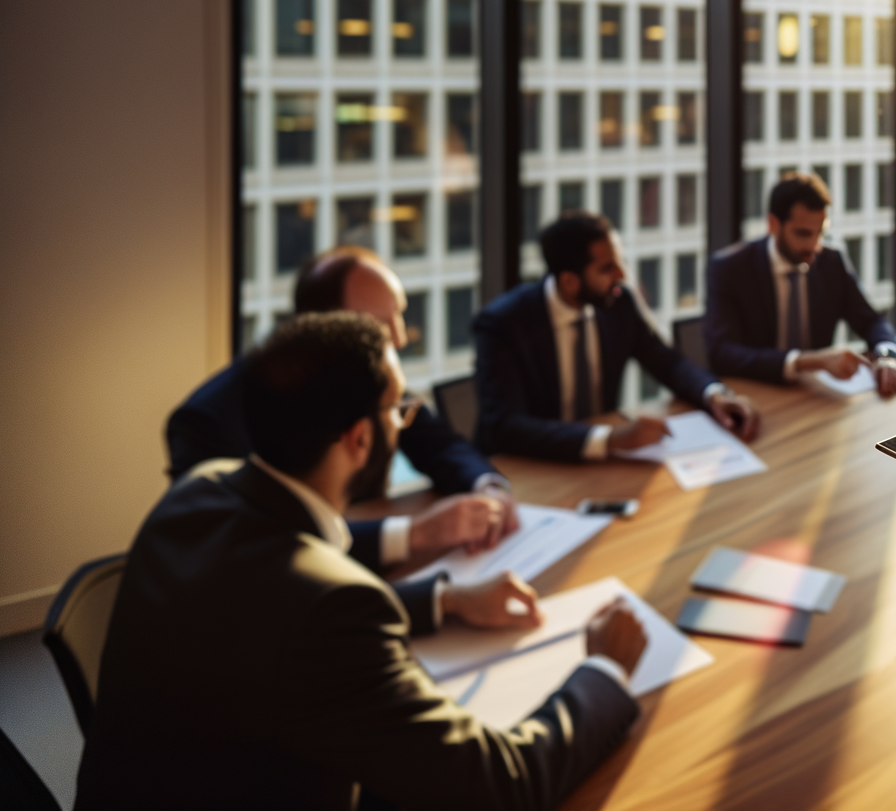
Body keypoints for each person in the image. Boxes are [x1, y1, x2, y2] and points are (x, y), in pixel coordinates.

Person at [76, 313, 647, 810]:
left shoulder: (196, 492)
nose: (403, 422)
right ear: (357, 440)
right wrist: (604, 671)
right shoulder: (332, 606)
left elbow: (261, 622)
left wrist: (446, 599)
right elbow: (499, 785)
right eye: (397, 408)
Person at [164, 246, 517, 635]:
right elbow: (257, 562)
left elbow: (439, 443)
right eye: (380, 325)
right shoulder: (208, 420)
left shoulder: (371, 382)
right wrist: (415, 535)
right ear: (324, 327)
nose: (399, 338)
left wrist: (488, 488)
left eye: (399, 314)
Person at [474, 212, 759, 462]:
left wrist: (714, 395)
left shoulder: (618, 303)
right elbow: (506, 426)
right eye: (607, 268)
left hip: (602, 465)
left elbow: (667, 362)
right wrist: (609, 439)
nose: (622, 275)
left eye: (618, 262)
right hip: (532, 469)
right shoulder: (503, 324)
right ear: (569, 281)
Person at [704, 171, 896, 397]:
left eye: (820, 233)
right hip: (755, 397)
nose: (814, 246)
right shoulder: (730, 268)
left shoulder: (831, 261)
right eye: (803, 233)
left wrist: (886, 356)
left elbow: (872, 321)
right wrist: (805, 361)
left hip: (814, 396)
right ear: (773, 224)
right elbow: (722, 354)